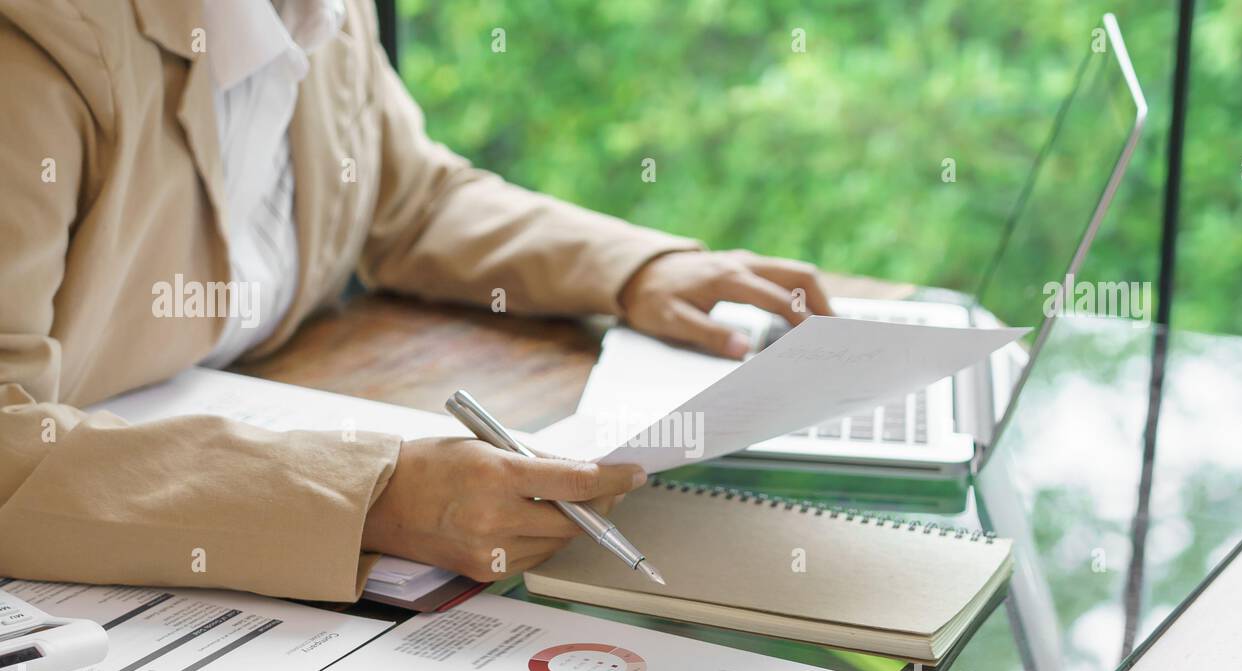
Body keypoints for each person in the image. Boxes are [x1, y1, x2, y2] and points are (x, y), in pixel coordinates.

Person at [0, 0, 832, 599]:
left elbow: (408, 200)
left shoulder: (323, 13)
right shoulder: (35, 46)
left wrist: (633, 267)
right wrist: (372, 496)